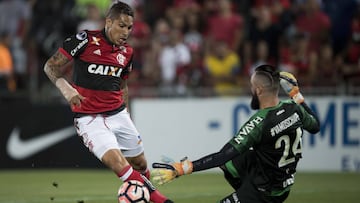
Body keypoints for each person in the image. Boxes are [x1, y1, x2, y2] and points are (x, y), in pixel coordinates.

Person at [43, 2, 173, 203]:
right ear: (108, 21)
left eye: (129, 27)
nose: (126, 32)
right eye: (121, 25)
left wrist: (127, 114)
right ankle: (162, 201)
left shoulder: (127, 53)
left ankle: (143, 196)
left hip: (118, 114)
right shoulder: (85, 40)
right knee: (118, 163)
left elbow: (122, 85)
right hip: (89, 118)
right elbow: (50, 66)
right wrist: (66, 89)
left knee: (140, 164)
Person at [152, 64, 320, 203]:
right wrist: (296, 95)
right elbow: (315, 126)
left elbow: (223, 155)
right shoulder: (295, 108)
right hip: (284, 182)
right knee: (232, 162)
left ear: (259, 90)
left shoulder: (260, 122)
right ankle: (245, 193)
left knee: (228, 157)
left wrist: (184, 168)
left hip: (267, 191)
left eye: (252, 87)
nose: (251, 90)